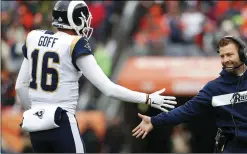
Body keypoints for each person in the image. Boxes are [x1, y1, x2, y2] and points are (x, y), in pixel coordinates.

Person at [15, 1, 177, 153]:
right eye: (83, 18)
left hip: (36, 126)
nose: (86, 23)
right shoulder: (74, 44)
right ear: (74, 19)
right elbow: (108, 89)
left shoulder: (34, 38)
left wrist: (37, 113)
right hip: (61, 122)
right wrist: (147, 98)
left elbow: (20, 87)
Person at [132, 36, 247, 153]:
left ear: (243, 54)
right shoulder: (214, 89)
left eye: (229, 54)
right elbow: (186, 111)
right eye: (222, 56)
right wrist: (155, 121)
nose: (225, 60)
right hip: (235, 149)